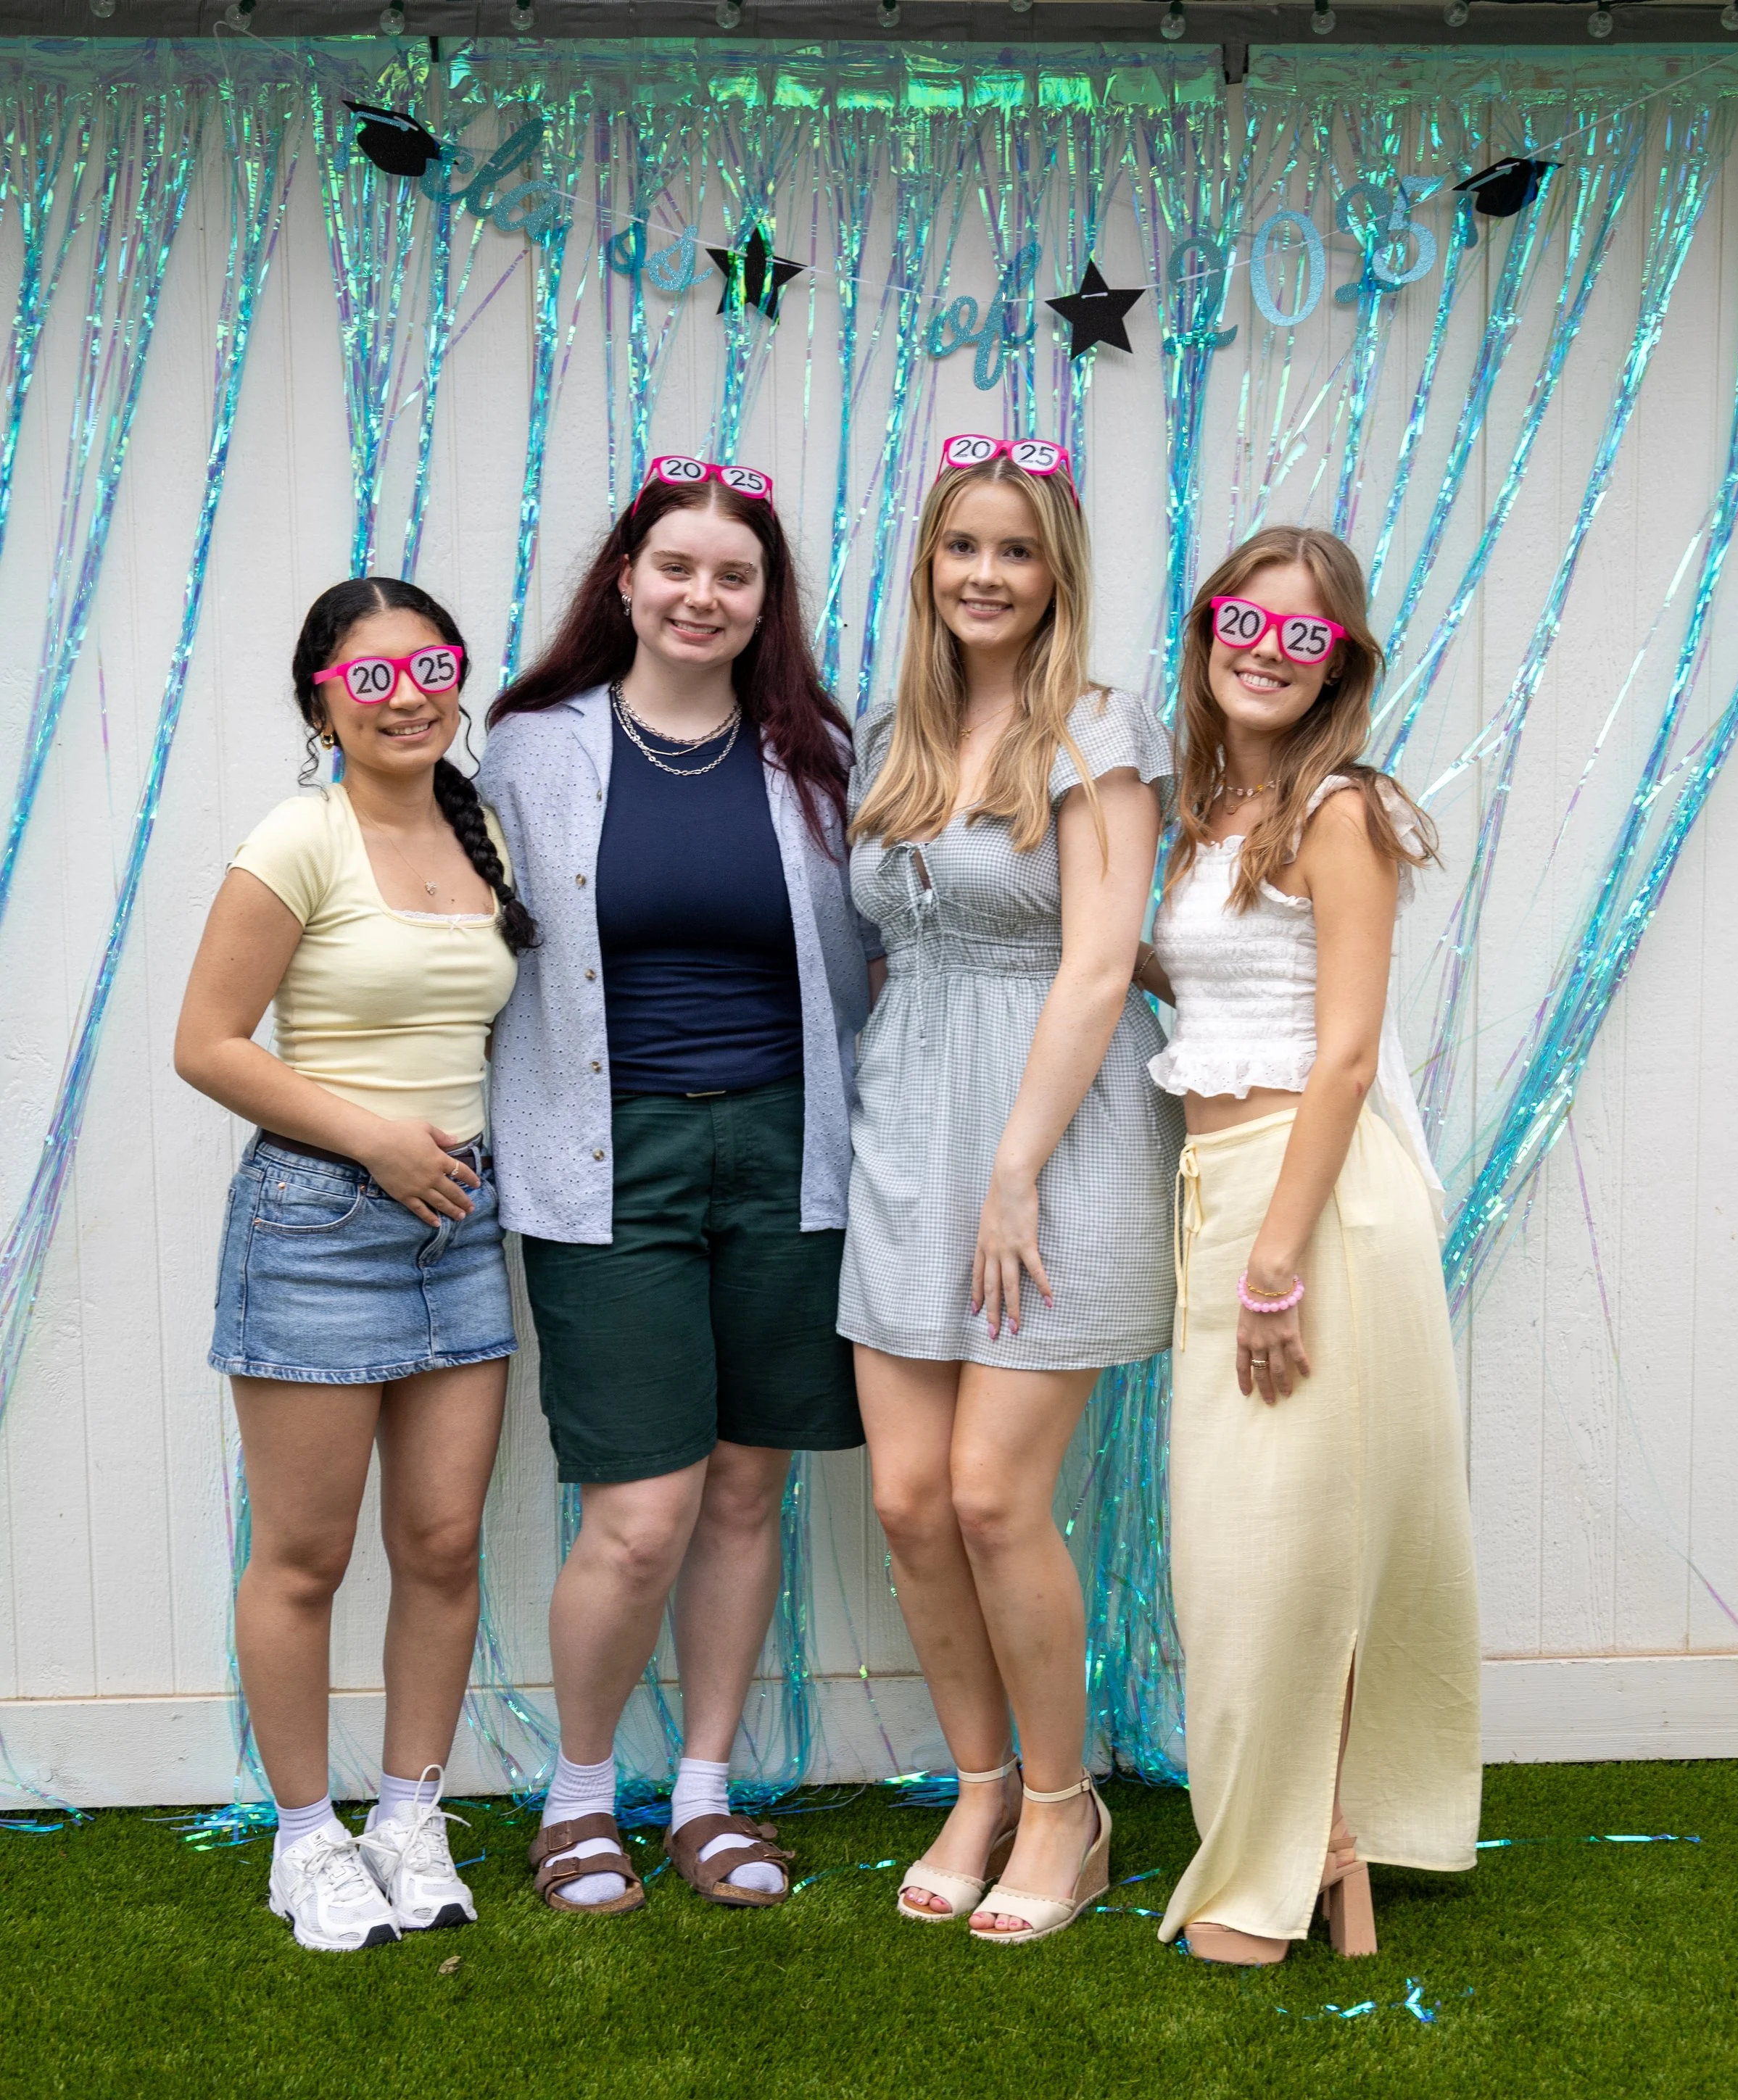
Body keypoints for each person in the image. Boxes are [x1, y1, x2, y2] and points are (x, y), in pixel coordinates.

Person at [480, 456, 876, 1915]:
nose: (701, 595)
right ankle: (579, 1797)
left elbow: (875, 957)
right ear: (626, 579)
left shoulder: (814, 753)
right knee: (636, 1506)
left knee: (742, 1488)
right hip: (605, 1159)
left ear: (763, 600)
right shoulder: (529, 748)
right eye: (676, 567)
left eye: (734, 574)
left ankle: (706, 1793)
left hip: (789, 1149)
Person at [841, 435, 1182, 1945]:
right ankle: (976, 1783)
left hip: (1048, 1134)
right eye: (961, 545)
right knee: (909, 1498)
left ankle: (1064, 1804)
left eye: (1016, 550)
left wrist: (1012, 1169)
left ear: (1056, 576)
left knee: (992, 1493)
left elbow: (1100, 961)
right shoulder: (888, 738)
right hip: (904, 1126)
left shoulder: (1097, 736)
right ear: (928, 563)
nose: (984, 573)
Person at [175, 578, 536, 1953]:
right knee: (308, 1557)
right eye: (369, 676)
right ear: (320, 695)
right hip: (319, 1221)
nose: (406, 695)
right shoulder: (297, 838)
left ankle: (408, 1818)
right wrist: (377, 1143)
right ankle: (309, 1839)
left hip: (461, 1225)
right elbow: (208, 1044)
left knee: (442, 1546)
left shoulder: (481, 829)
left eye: (431, 667)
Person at [1140, 526, 1481, 1966]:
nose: (1264, 650)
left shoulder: (1340, 811)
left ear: (1337, 663)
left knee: (1290, 1553)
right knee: (1239, 1550)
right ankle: (1289, 1845)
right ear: (1207, 628)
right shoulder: (1203, 815)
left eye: (1302, 636)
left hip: (1311, 1204)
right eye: (1242, 620)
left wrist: (1274, 1258)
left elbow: (1341, 1055)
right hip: (1220, 1184)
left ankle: (1280, 1868)